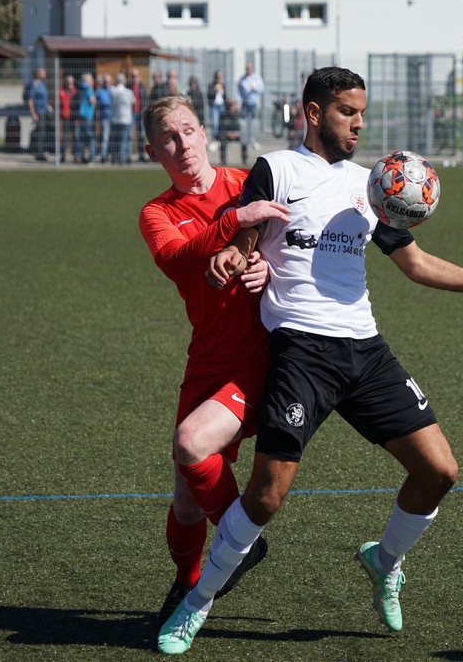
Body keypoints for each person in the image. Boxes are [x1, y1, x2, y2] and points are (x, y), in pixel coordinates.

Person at [157, 66, 463, 655]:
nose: (359, 124)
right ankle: (198, 601)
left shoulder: (373, 185)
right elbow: (245, 239)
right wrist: (233, 257)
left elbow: (415, 263)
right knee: (265, 497)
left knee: (440, 472)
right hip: (300, 351)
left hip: (365, 350)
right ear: (314, 113)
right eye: (347, 112)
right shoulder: (276, 169)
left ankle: (384, 561)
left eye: (362, 113)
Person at [139, 94, 290, 625]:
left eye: (187, 130)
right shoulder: (157, 213)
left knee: (190, 444)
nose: (181, 144)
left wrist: (269, 269)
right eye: (168, 138)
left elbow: (293, 248)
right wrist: (235, 221)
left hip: (260, 359)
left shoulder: (247, 182)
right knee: (185, 498)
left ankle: (238, 543)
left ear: (204, 132)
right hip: (205, 359)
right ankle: (187, 583)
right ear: (153, 152)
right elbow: (180, 260)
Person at [237, 62, 264, 150]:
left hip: (253, 104)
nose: (248, 70)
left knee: (254, 123)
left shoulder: (257, 78)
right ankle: (244, 141)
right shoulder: (242, 79)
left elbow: (262, 88)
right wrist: (238, 102)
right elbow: (238, 91)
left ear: (252, 68)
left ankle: (254, 141)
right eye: (247, 68)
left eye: (249, 68)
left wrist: (255, 89)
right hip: (245, 103)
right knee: (243, 123)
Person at [111, 72, 135, 165]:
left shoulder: (112, 91)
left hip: (115, 118)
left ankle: (114, 158)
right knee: (123, 139)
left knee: (115, 139)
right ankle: (121, 158)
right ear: (124, 81)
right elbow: (133, 103)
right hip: (126, 118)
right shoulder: (129, 92)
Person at [27, 67, 49, 162]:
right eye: (43, 72)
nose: (45, 74)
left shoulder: (43, 84)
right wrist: (33, 113)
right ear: (38, 74)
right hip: (38, 112)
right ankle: (39, 153)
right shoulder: (34, 84)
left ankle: (41, 151)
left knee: (42, 133)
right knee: (39, 133)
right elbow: (30, 100)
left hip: (44, 111)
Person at [75, 73, 96, 164]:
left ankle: (81, 155)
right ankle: (92, 156)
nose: (92, 81)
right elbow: (92, 101)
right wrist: (95, 101)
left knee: (81, 137)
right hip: (88, 115)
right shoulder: (88, 89)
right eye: (91, 79)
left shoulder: (79, 88)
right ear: (87, 80)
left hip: (81, 115)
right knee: (91, 137)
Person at [217, 99, 245, 166]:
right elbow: (221, 127)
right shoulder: (224, 115)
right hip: (227, 134)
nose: (236, 106)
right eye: (234, 105)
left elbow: (242, 126)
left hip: (237, 134)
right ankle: (223, 160)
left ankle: (244, 159)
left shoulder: (239, 114)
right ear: (230, 106)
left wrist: (237, 133)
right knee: (222, 139)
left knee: (244, 138)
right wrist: (228, 133)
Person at [58, 75, 77, 162]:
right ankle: (63, 155)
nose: (69, 84)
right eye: (68, 82)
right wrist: (61, 113)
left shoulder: (76, 92)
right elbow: (58, 104)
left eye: (71, 82)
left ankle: (76, 155)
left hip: (74, 118)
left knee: (76, 136)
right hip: (65, 117)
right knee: (65, 137)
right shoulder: (61, 92)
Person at [130, 69, 147, 162]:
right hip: (131, 113)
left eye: (136, 76)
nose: (134, 78)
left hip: (140, 113)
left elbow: (145, 100)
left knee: (141, 135)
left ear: (139, 76)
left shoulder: (142, 87)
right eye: (133, 76)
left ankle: (141, 155)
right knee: (130, 135)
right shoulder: (129, 87)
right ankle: (128, 155)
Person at [95, 73, 113, 164]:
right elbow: (104, 102)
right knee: (105, 137)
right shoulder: (99, 91)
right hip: (105, 117)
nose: (107, 83)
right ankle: (103, 156)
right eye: (105, 81)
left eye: (108, 81)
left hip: (114, 118)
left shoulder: (113, 90)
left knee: (113, 137)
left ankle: (113, 155)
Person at [207, 70, 227, 144]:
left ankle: (221, 138)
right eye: (218, 77)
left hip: (222, 106)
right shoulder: (211, 85)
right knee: (215, 123)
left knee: (222, 123)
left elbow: (225, 96)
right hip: (214, 106)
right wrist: (215, 90)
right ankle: (214, 139)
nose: (219, 78)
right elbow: (208, 95)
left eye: (220, 77)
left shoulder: (223, 85)